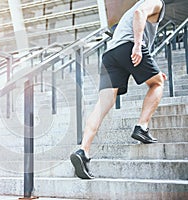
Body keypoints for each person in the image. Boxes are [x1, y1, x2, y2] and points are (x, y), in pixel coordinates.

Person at [70, 0, 167, 179]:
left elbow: (134, 20)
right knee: (158, 82)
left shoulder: (134, 6)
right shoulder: (155, 2)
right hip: (129, 47)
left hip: (110, 54)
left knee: (103, 104)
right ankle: (142, 127)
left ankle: (83, 151)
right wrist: (138, 46)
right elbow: (140, 15)